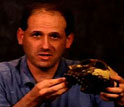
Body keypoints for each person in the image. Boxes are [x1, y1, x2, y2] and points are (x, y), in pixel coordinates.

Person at [0, 1, 124, 107]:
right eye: (36, 35)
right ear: (21, 37)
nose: (45, 46)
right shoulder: (2, 76)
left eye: (54, 36)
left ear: (68, 40)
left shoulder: (92, 75)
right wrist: (32, 100)